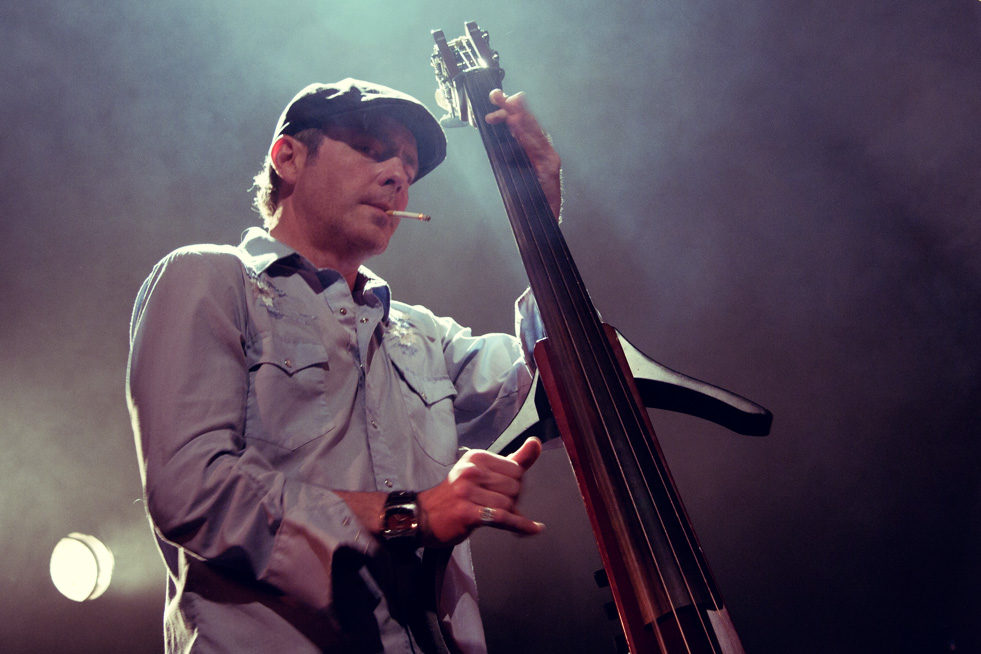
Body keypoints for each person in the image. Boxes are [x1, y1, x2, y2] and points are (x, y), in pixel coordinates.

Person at [126, 78, 562, 653]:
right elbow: (192, 492)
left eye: (408, 165)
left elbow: (561, 385)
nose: (398, 176)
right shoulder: (209, 278)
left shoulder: (423, 333)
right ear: (288, 156)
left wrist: (542, 220)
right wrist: (411, 515)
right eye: (372, 148)